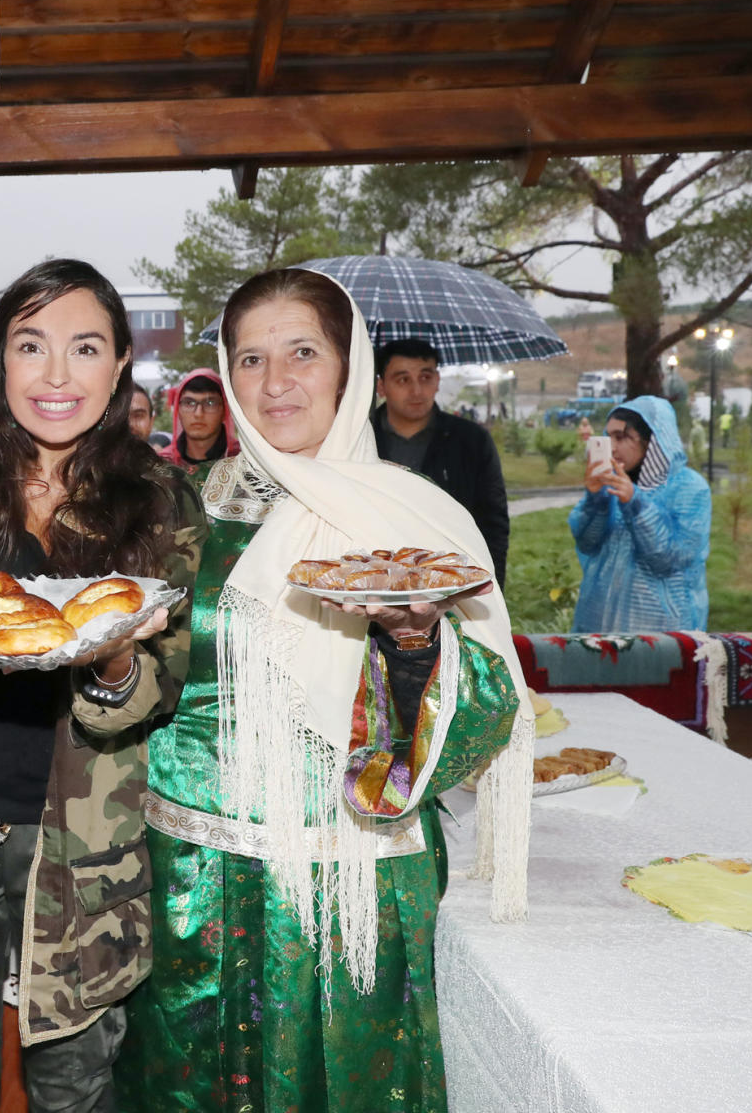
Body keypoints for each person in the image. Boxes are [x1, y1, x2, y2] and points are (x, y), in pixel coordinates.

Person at [116, 267, 532, 1113]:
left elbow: (486, 720)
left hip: (348, 885)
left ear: (349, 368)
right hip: (192, 877)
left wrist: (415, 644)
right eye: (251, 358)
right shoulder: (176, 510)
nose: (276, 383)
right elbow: (132, 685)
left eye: (302, 352)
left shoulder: (413, 519)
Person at [0, 259, 204, 1112]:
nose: (57, 374)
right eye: (32, 346)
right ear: (0, 364)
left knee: (73, 1083)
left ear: (118, 368)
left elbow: (151, 694)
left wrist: (110, 658)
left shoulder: (160, 501)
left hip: (83, 836)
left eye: (84, 347)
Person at [369, 337, 511, 585]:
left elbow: (493, 523)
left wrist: (490, 587)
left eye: (425, 377)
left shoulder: (471, 441)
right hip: (373, 581)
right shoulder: (360, 439)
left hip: (450, 581)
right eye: (402, 379)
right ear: (381, 386)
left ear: (437, 380)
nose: (416, 391)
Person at [568, 396, 711, 632]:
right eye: (609, 436)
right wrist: (596, 500)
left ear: (653, 439)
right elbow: (587, 543)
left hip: (662, 635)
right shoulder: (612, 483)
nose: (612, 447)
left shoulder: (689, 487)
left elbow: (669, 559)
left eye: (622, 437)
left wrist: (635, 503)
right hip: (597, 625)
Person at [161, 367, 236, 471]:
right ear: (178, 410)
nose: (198, 414)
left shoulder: (246, 461)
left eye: (210, 403)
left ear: (224, 410)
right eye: (189, 403)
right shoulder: (162, 464)